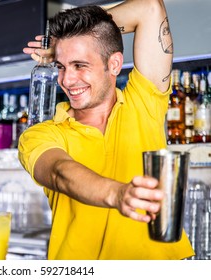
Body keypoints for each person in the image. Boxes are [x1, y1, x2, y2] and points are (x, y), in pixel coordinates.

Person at [18, 0, 194, 260]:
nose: (66, 80)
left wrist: (91, 32)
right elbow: (59, 173)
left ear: (113, 64)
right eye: (61, 66)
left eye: (80, 65)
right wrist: (118, 194)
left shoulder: (142, 102)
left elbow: (149, 7)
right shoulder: (41, 134)